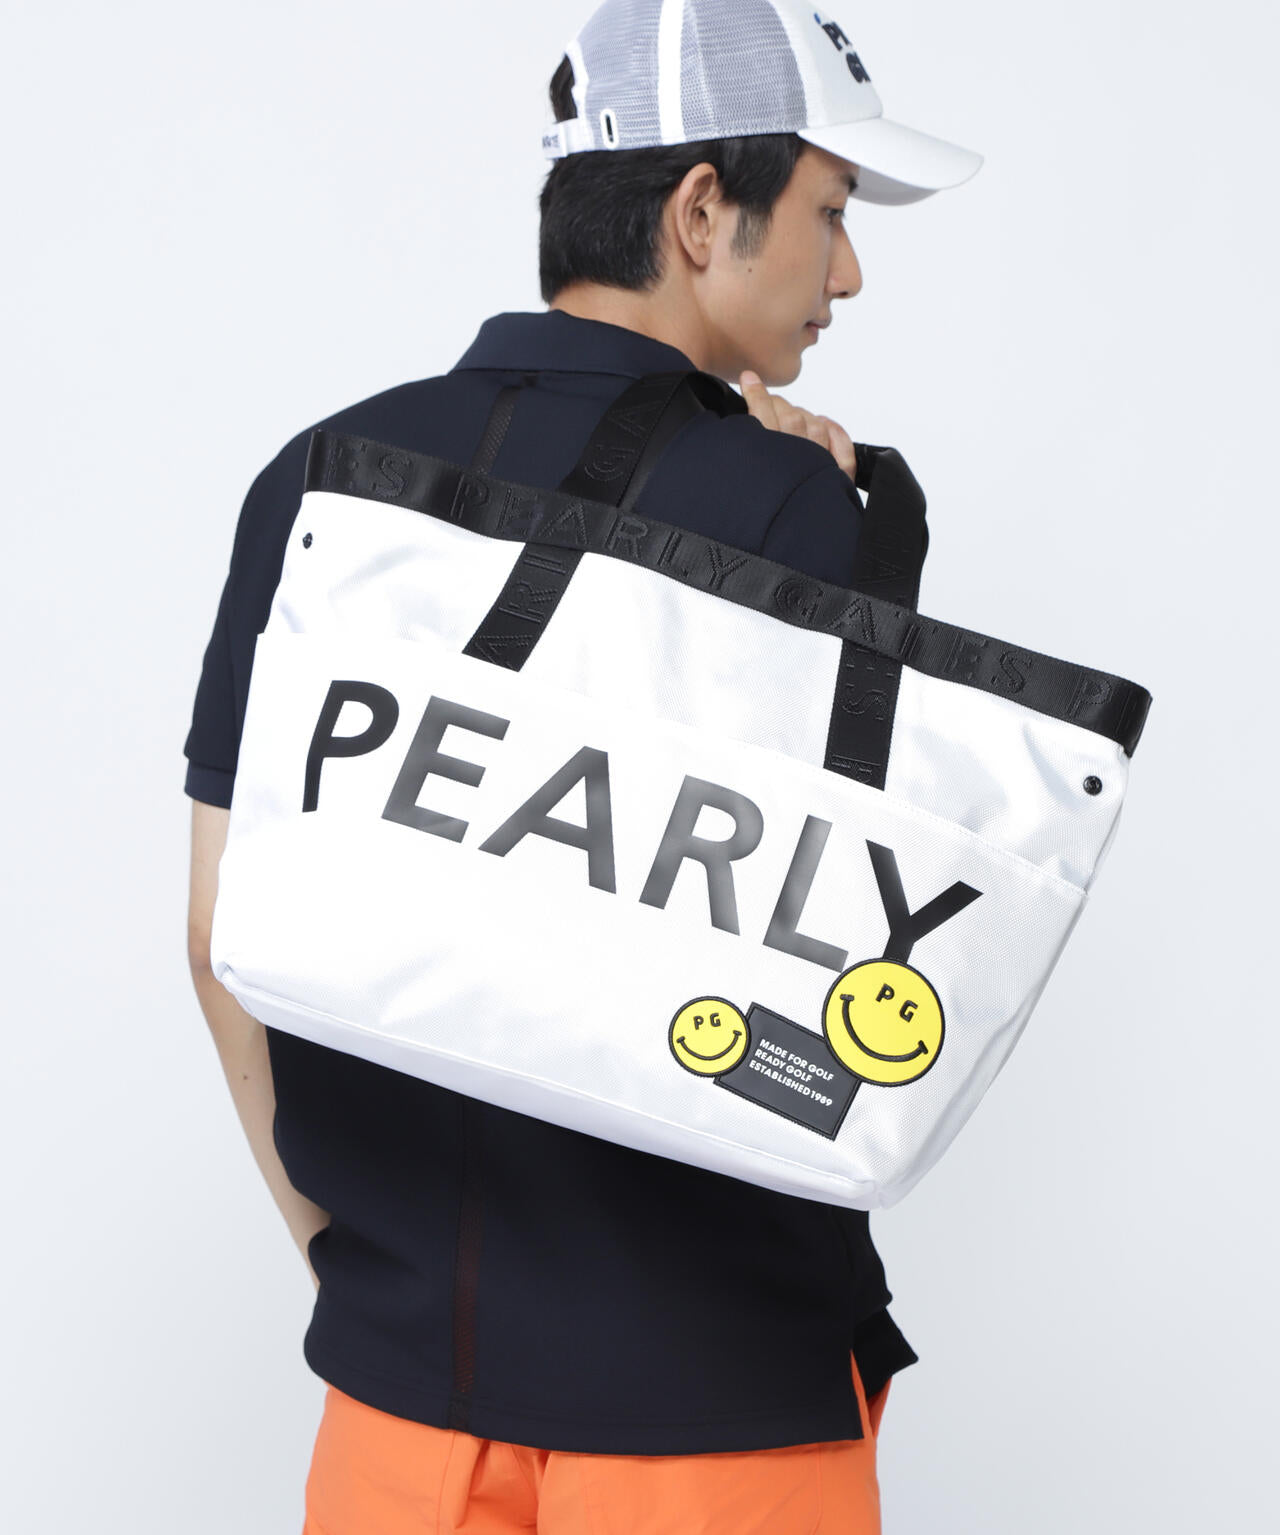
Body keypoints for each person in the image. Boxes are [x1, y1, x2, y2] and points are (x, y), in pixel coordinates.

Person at [183, 3, 981, 1530]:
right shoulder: (794, 509)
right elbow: (822, 990)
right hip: (713, 1416)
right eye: (831, 212)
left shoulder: (323, 479)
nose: (849, 273)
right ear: (702, 212)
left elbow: (222, 927)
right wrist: (828, 528)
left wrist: (354, 1264)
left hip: (399, 1408)